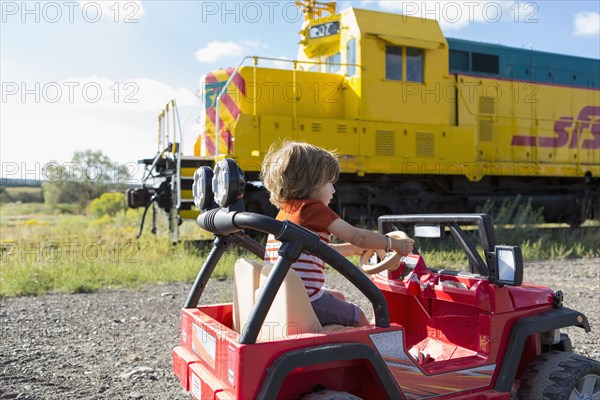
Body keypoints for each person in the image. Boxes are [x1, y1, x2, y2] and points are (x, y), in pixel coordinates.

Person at [261, 141, 414, 327]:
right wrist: (392, 244)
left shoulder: (287, 211)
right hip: (308, 301)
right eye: (329, 183)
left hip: (287, 298)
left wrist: (352, 249)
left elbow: (318, 250)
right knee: (357, 316)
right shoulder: (313, 209)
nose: (333, 190)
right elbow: (359, 236)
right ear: (313, 183)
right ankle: (384, 353)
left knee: (338, 296)